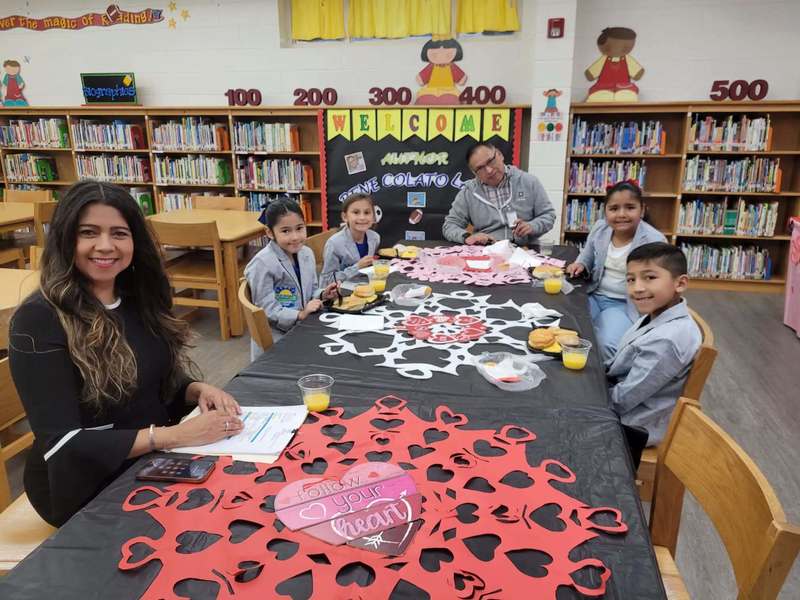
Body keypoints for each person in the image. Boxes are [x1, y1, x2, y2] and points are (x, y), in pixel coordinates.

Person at [9, 182, 244, 527]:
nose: (105, 245)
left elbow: (149, 380)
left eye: (119, 233)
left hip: (151, 459)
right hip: (82, 487)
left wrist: (195, 390)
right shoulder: (38, 319)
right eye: (88, 232)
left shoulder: (137, 298)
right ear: (65, 238)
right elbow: (63, 443)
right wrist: (173, 436)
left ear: (135, 241)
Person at [606, 242, 701, 453]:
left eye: (649, 277)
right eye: (631, 279)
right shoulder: (657, 314)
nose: (637, 288)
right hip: (626, 403)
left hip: (633, 425)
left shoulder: (667, 341)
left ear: (680, 283)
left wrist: (584, 398)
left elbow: (622, 401)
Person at [566, 181, 665, 361]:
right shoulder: (600, 228)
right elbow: (586, 255)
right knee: (569, 328)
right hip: (594, 295)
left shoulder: (653, 240)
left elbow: (658, 282)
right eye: (614, 208)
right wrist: (580, 264)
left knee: (606, 344)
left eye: (630, 207)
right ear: (605, 212)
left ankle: (605, 377)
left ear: (642, 210)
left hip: (625, 304)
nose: (621, 214)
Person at [244, 197, 338, 359]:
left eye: (299, 228)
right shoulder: (262, 263)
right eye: (285, 231)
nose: (295, 237)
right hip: (278, 340)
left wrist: (323, 294)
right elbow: (266, 309)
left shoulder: (306, 253)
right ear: (269, 232)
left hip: (304, 327)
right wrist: (299, 315)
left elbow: (310, 291)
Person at [442, 142, 555, 246]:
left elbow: (548, 215)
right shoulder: (468, 193)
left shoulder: (528, 182)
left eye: (490, 161)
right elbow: (450, 225)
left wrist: (532, 226)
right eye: (480, 168)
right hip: (486, 251)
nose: (489, 170)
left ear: (500, 155)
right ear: (474, 173)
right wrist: (467, 237)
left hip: (526, 249)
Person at [320, 193, 380, 287]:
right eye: (356, 212)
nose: (362, 217)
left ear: (373, 217)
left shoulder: (375, 238)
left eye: (367, 213)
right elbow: (326, 281)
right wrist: (357, 267)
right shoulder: (334, 244)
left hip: (367, 287)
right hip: (343, 291)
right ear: (345, 217)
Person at [415, 38, 467, 105]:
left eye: (448, 55)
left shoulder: (452, 67)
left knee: (452, 97)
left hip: (449, 90)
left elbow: (461, 80)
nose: (441, 57)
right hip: (431, 89)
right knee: (425, 96)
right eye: (434, 55)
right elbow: (420, 80)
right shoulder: (431, 67)